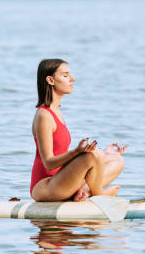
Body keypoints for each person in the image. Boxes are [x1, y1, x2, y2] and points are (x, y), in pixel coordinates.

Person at [30, 59, 126, 202]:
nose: (72, 79)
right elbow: (49, 163)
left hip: (63, 179)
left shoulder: (56, 111)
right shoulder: (44, 115)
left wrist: (104, 154)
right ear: (50, 80)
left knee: (116, 160)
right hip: (46, 186)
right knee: (91, 155)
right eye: (65, 75)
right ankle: (99, 195)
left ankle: (83, 192)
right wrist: (77, 152)